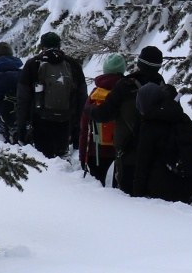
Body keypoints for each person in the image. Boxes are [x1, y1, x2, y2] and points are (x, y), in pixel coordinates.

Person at [89, 45, 162, 194]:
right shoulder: (163, 88)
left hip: (128, 153)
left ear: (140, 63)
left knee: (125, 197)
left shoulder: (125, 85)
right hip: (156, 155)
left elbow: (104, 114)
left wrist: (89, 110)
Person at [131, 79, 192, 203]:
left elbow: (142, 163)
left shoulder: (150, 124)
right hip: (189, 187)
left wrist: (137, 196)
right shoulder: (181, 116)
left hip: (161, 190)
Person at [16, 31, 87, 159]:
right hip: (66, 119)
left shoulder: (33, 64)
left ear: (42, 47)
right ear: (59, 46)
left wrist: (21, 127)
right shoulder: (73, 64)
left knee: (43, 160)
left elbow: (23, 99)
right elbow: (82, 98)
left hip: (40, 120)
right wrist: (78, 127)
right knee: (62, 159)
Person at [79, 53, 128, 186]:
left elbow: (84, 128)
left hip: (97, 153)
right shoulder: (128, 91)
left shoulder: (96, 94)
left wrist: (83, 157)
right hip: (122, 151)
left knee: (98, 191)